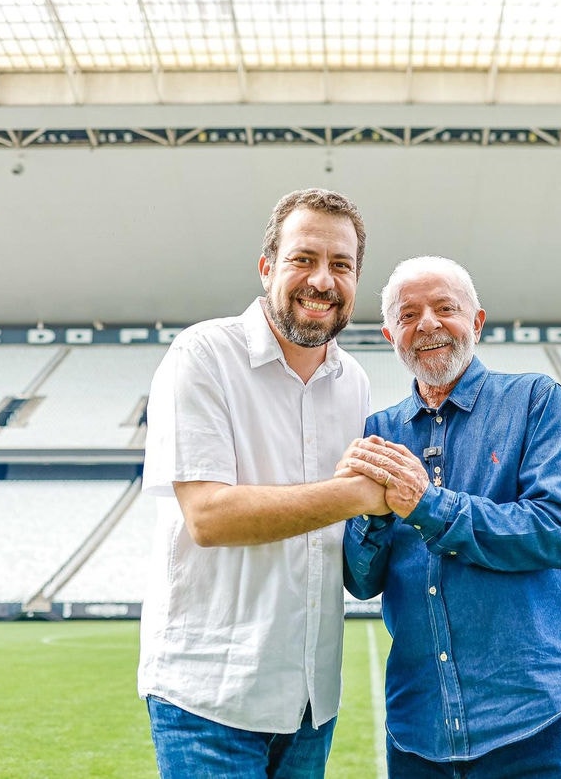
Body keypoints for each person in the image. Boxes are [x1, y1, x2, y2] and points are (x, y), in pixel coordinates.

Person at [138, 188, 391, 777]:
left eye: (341, 265)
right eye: (303, 259)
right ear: (267, 267)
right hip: (210, 699)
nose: (322, 281)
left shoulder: (353, 381)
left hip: (309, 702)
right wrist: (359, 494)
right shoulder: (202, 355)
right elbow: (209, 517)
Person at [342, 255, 561, 778]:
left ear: (477, 322)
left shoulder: (534, 400)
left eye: (445, 308)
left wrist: (426, 505)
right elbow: (362, 580)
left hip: (538, 724)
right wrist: (369, 517)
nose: (428, 325)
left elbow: (555, 532)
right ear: (390, 333)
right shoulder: (376, 431)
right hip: (421, 732)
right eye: (409, 314)